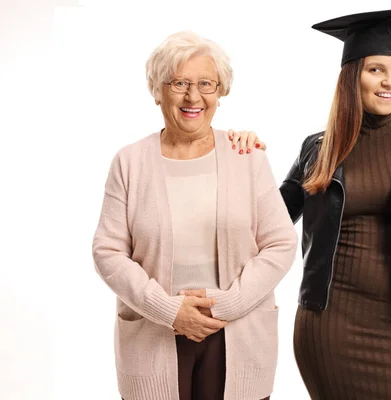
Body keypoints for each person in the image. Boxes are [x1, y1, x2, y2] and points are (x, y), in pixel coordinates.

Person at [229, 10, 391, 400]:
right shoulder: (319, 148)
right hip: (330, 324)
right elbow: (266, 221)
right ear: (352, 76)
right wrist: (244, 160)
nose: (390, 82)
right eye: (377, 70)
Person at [92, 31, 297, 400]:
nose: (193, 96)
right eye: (179, 83)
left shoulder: (246, 156)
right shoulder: (130, 162)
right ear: (157, 90)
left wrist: (228, 303)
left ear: (221, 91)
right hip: (153, 334)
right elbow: (107, 252)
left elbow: (281, 244)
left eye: (206, 83)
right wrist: (169, 310)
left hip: (240, 330)